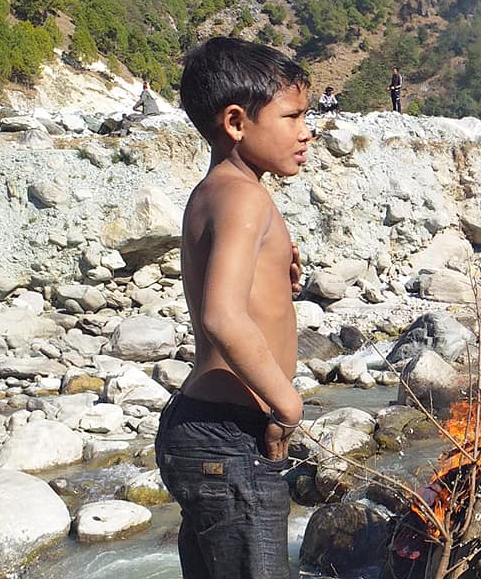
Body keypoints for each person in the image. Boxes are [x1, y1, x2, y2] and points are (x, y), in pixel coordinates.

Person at [156, 36, 311, 578]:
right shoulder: (246, 197)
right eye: (291, 116)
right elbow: (222, 315)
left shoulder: (215, 190)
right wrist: (286, 404)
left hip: (203, 434)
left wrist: (277, 282)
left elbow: (228, 294)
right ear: (237, 122)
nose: (305, 131)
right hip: (230, 440)